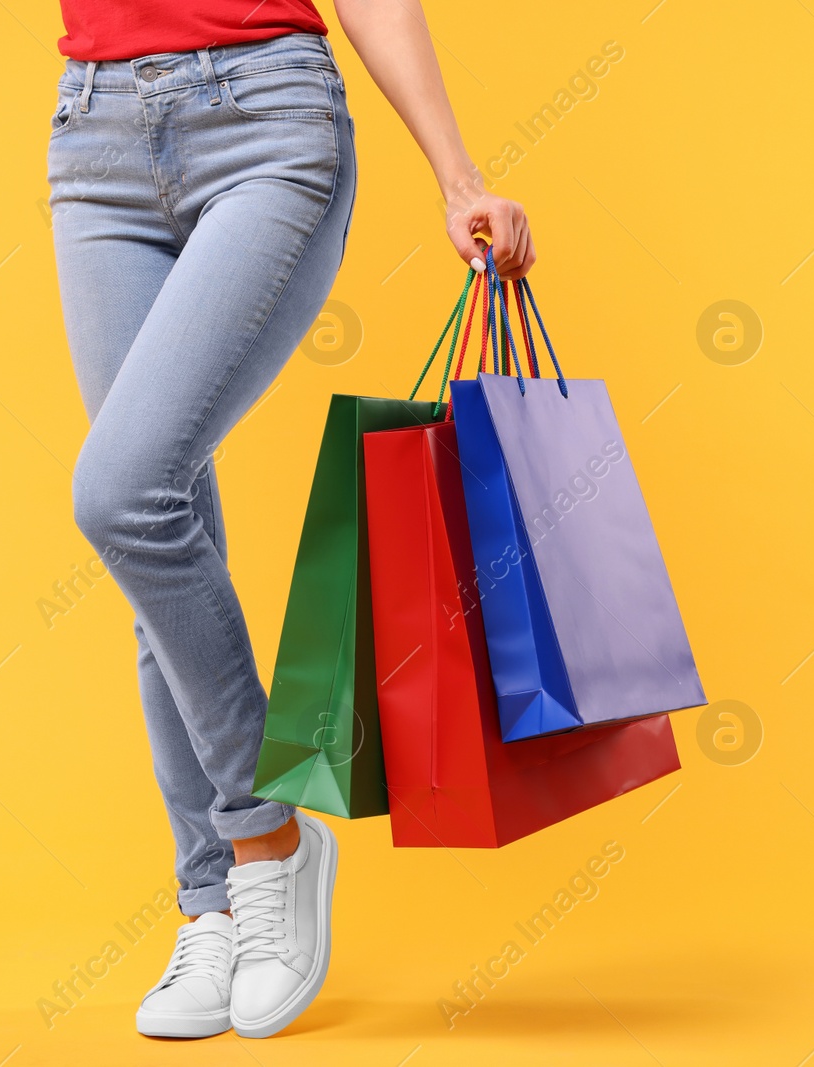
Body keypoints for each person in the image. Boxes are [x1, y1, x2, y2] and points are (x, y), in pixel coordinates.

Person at [46, 0, 533, 1040]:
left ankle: (268, 844)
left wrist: (459, 177)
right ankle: (211, 901)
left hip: (263, 118)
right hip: (94, 138)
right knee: (160, 540)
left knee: (124, 494)